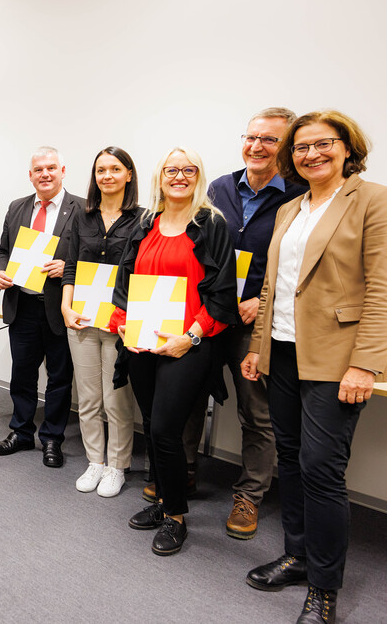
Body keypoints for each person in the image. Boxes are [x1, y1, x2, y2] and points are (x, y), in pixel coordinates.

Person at [241, 111, 387, 624]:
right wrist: (258, 346)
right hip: (283, 352)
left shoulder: (376, 200)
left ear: (347, 146)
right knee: (289, 460)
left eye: (323, 143)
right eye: (301, 147)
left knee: (321, 469)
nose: (311, 154)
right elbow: (272, 287)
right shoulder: (291, 208)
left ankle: (324, 587)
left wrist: (365, 365)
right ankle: (297, 556)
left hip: (336, 359)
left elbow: (385, 290)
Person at [111, 148, 237, 556]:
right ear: (160, 177)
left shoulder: (211, 224)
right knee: (151, 424)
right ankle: (163, 499)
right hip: (143, 342)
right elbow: (126, 280)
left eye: (188, 170)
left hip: (188, 345)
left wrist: (191, 337)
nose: (179, 176)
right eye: (171, 170)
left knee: (166, 430)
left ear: (198, 176)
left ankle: (176, 516)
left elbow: (222, 293)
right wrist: (123, 324)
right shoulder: (146, 222)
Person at [187, 108, 305, 538]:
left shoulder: (300, 195)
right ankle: (183, 471)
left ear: (286, 147)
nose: (256, 146)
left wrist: (262, 301)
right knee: (189, 395)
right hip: (209, 315)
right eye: (251, 137)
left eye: (270, 139)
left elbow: (300, 267)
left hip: (256, 324)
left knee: (256, 412)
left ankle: (250, 494)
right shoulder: (219, 187)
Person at [0, 146, 81, 468]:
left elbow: (89, 256)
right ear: (30, 175)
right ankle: (21, 432)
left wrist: (67, 267)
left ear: (62, 171)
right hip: (23, 304)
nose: (45, 174)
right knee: (22, 374)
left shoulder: (81, 209)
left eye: (51, 168)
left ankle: (52, 438)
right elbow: (3, 251)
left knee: (59, 377)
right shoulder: (17, 207)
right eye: (39, 169)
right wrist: (0, 271)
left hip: (58, 307)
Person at [60, 147, 141, 497]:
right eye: (100, 170)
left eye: (115, 169)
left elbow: (142, 272)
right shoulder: (82, 216)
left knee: (116, 399)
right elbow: (71, 265)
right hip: (82, 317)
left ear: (128, 174)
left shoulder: (142, 218)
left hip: (118, 322)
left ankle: (116, 466)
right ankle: (95, 460)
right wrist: (66, 307)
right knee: (89, 398)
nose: (107, 176)